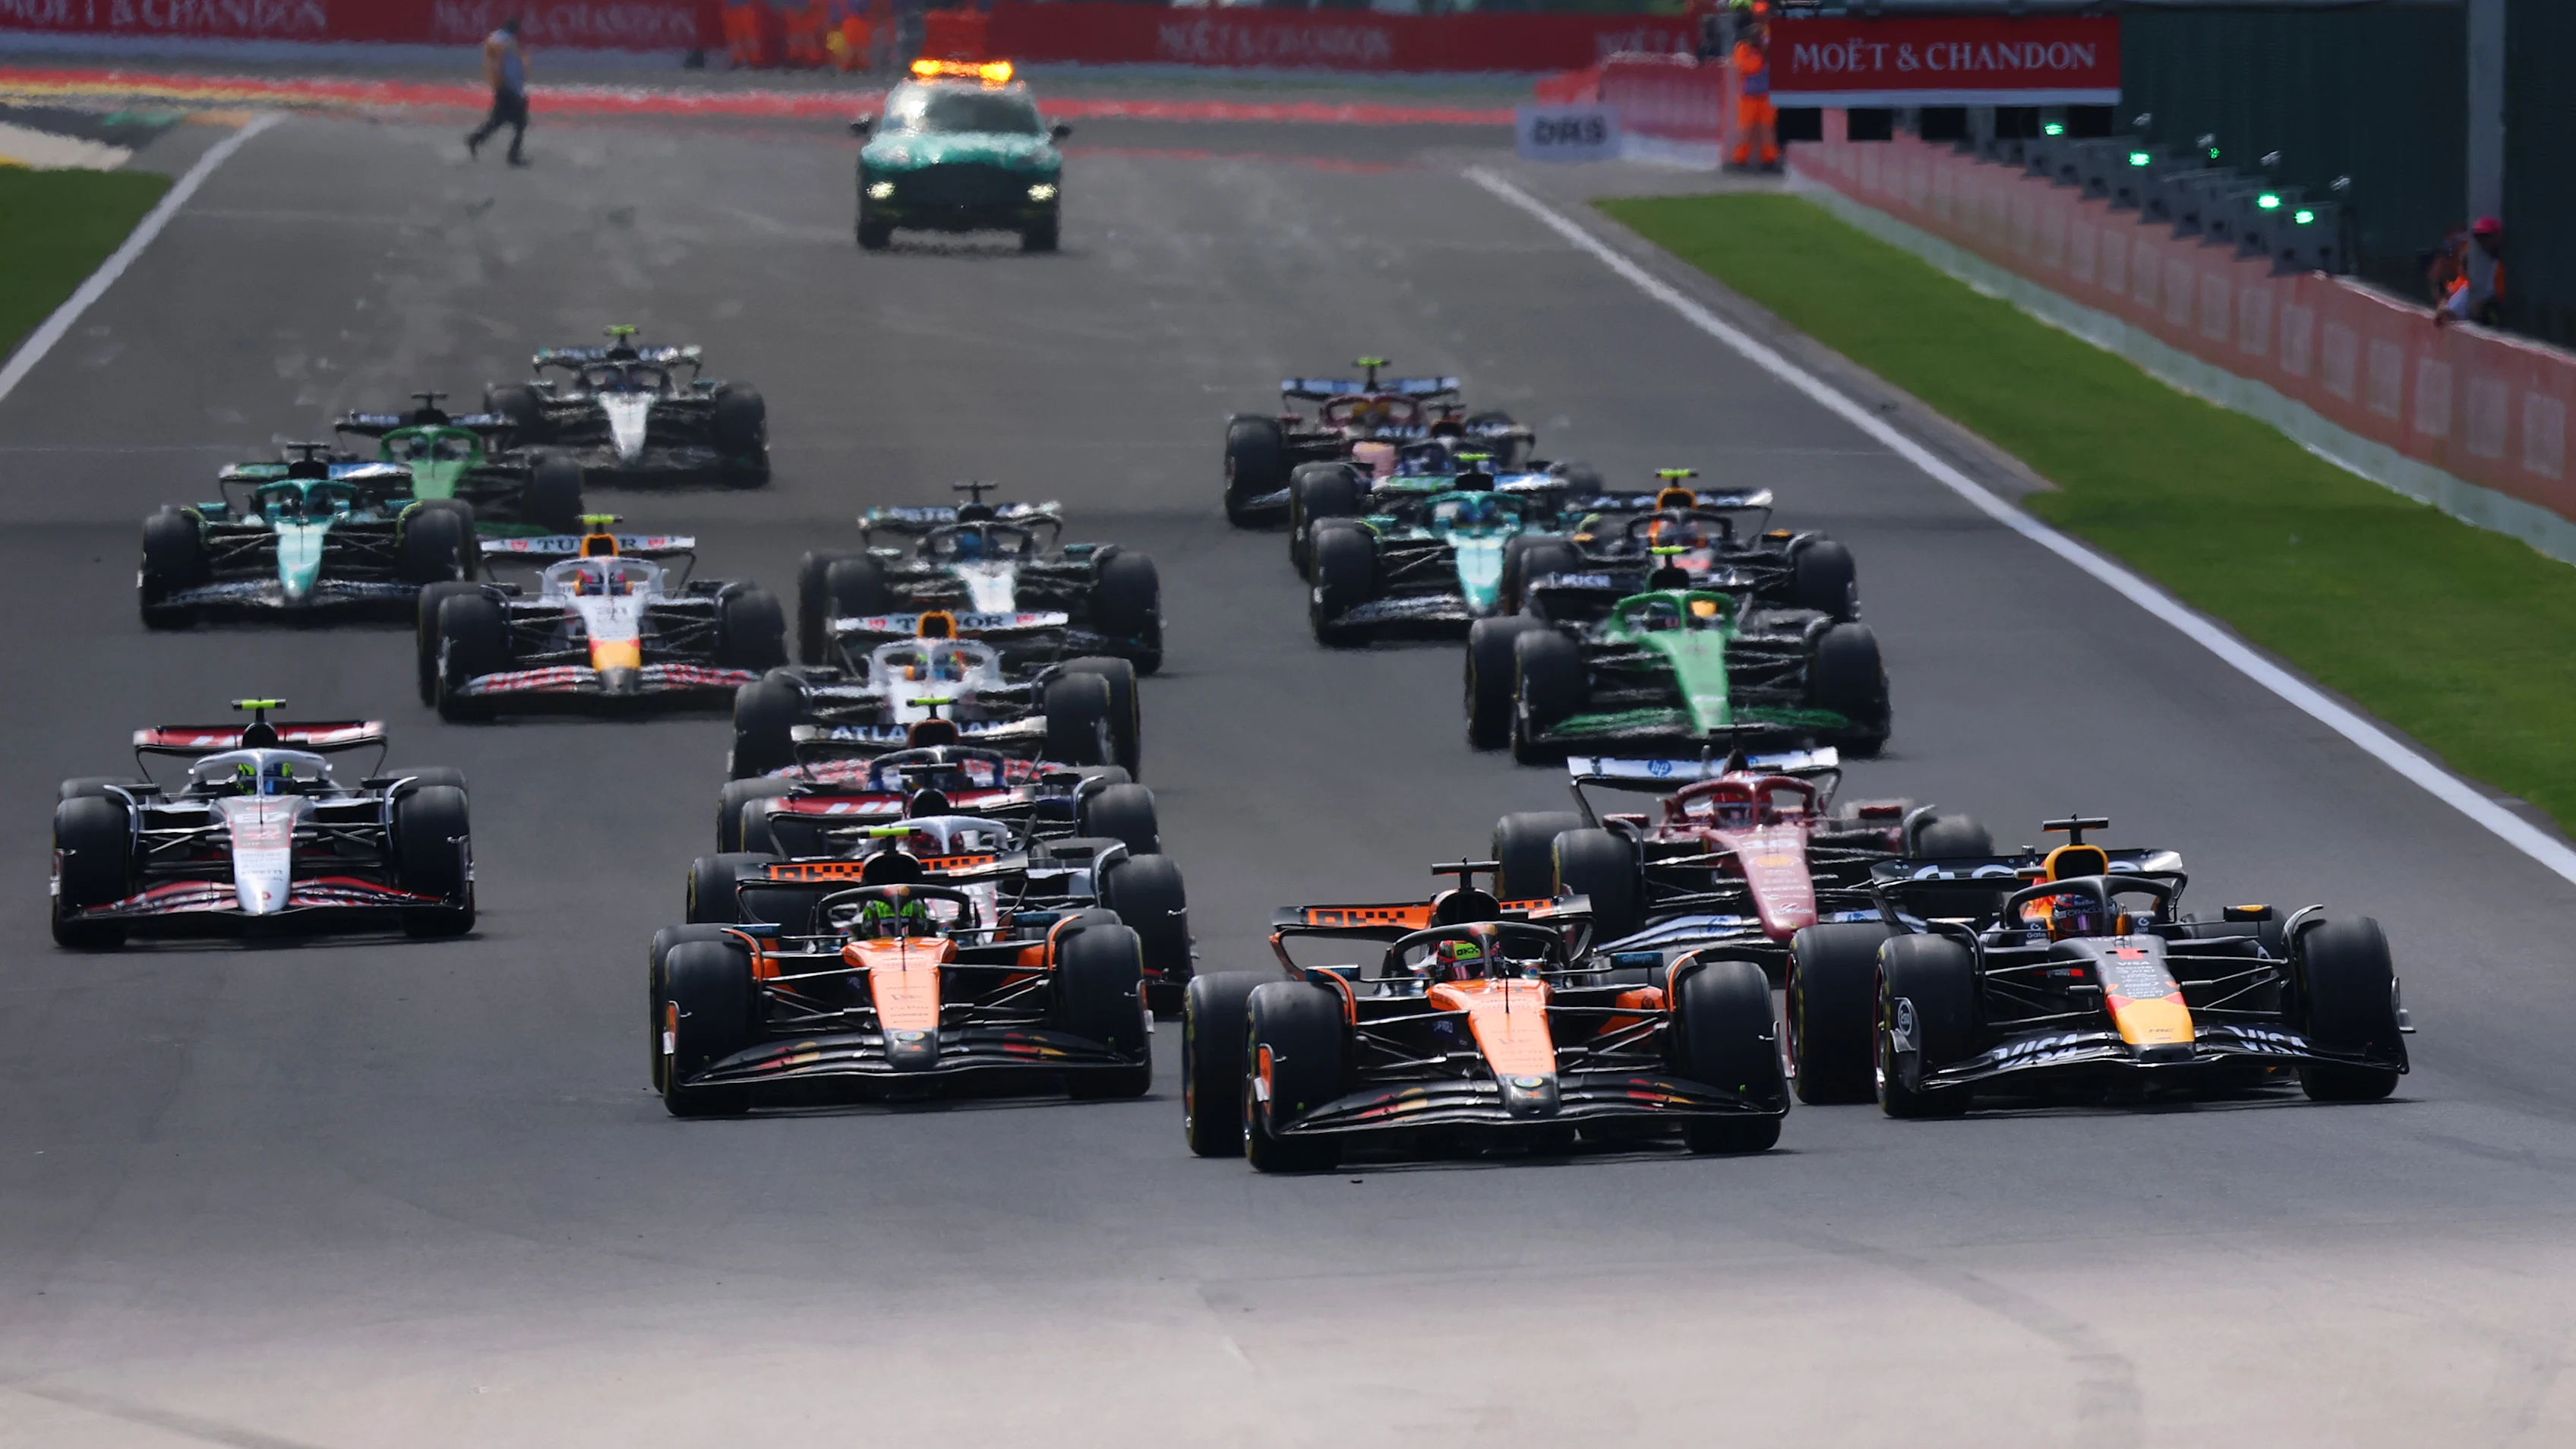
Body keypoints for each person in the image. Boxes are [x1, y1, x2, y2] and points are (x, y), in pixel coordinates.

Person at [466, 17, 531, 167]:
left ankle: (475, 139)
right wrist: (511, 88)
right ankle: (513, 155)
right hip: (507, 88)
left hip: (503, 86)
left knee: (498, 121)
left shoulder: (495, 39)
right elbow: (504, 66)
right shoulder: (504, 42)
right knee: (520, 123)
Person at [1728, 2, 1778, 172]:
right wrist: (1761, 54)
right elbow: (1746, 68)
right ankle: (1739, 160)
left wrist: (1766, 51)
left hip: (1767, 95)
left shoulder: (1771, 39)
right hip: (1748, 96)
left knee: (1767, 129)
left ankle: (1769, 160)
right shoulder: (1743, 48)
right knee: (1746, 129)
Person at [2436, 216, 2505, 328]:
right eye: (2479, 237)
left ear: (2496, 237)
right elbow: (2455, 288)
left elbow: (2498, 297)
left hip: (2490, 314)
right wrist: (2445, 304)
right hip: (2465, 315)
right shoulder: (2471, 260)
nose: (2483, 241)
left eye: (2486, 236)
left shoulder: (2497, 265)